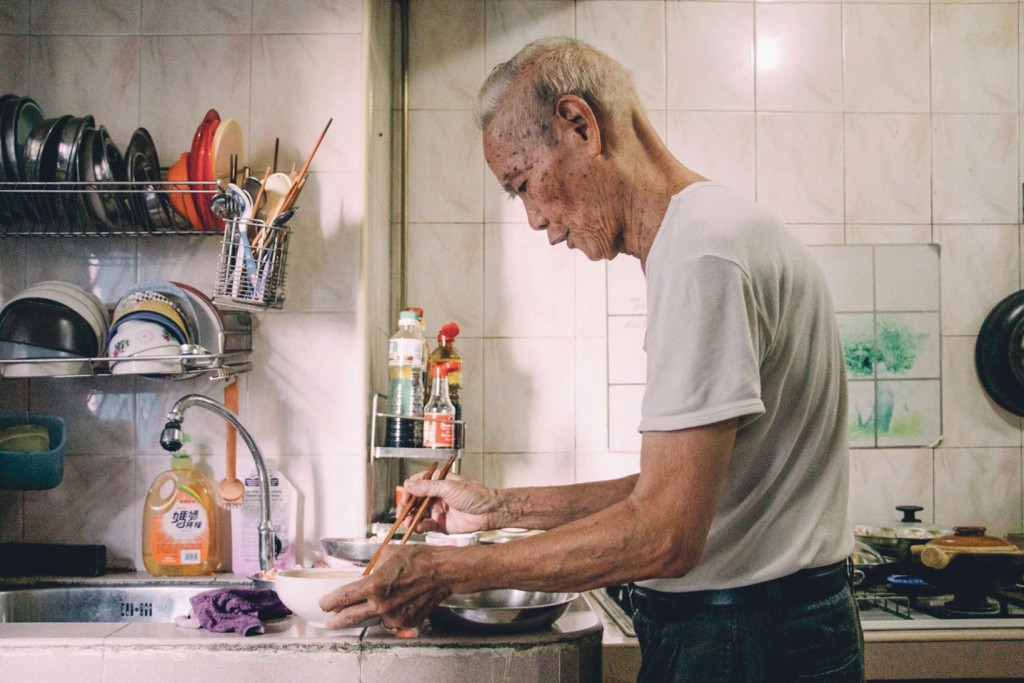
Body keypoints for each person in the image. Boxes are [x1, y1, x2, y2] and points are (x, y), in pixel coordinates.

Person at [320, 37, 864, 682]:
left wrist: (443, 570)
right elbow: (680, 494)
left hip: (746, 644)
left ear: (579, 126)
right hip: (768, 633)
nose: (535, 221)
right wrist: (499, 508)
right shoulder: (719, 231)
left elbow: (664, 534)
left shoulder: (702, 259)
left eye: (523, 184)